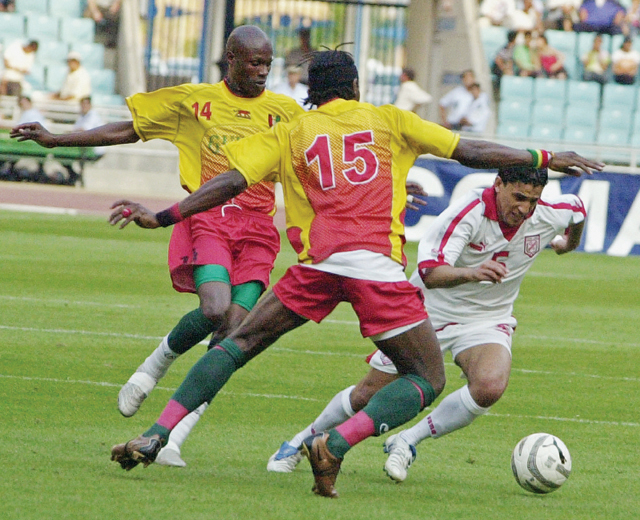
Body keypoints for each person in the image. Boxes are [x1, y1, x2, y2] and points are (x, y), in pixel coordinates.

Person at [106, 50, 602, 498]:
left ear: (311, 93)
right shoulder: (389, 120)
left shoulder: (290, 131)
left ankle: (159, 431)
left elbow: (230, 181)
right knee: (427, 379)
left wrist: (165, 215)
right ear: (357, 88)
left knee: (235, 343)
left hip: (317, 265)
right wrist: (543, 158)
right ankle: (335, 443)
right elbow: (468, 150)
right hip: (375, 270)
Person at [11, 25, 305, 467]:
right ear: (230, 58)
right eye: (254, 63)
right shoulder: (194, 101)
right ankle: (157, 362)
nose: (263, 72)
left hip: (259, 230)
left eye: (268, 64)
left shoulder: (286, 112)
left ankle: (174, 438)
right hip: (208, 218)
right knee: (214, 310)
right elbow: (126, 131)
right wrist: (55, 138)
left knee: (233, 334)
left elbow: (324, 161)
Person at [265, 165, 591, 483]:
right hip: (426, 313)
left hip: (487, 319)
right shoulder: (468, 213)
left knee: (490, 385)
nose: (524, 209)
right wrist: (472, 273)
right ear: (498, 183)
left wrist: (567, 245)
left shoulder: (552, 211)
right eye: (518, 197)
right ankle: (300, 441)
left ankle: (407, 440)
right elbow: (430, 273)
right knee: (367, 394)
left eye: (533, 201)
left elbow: (578, 212)